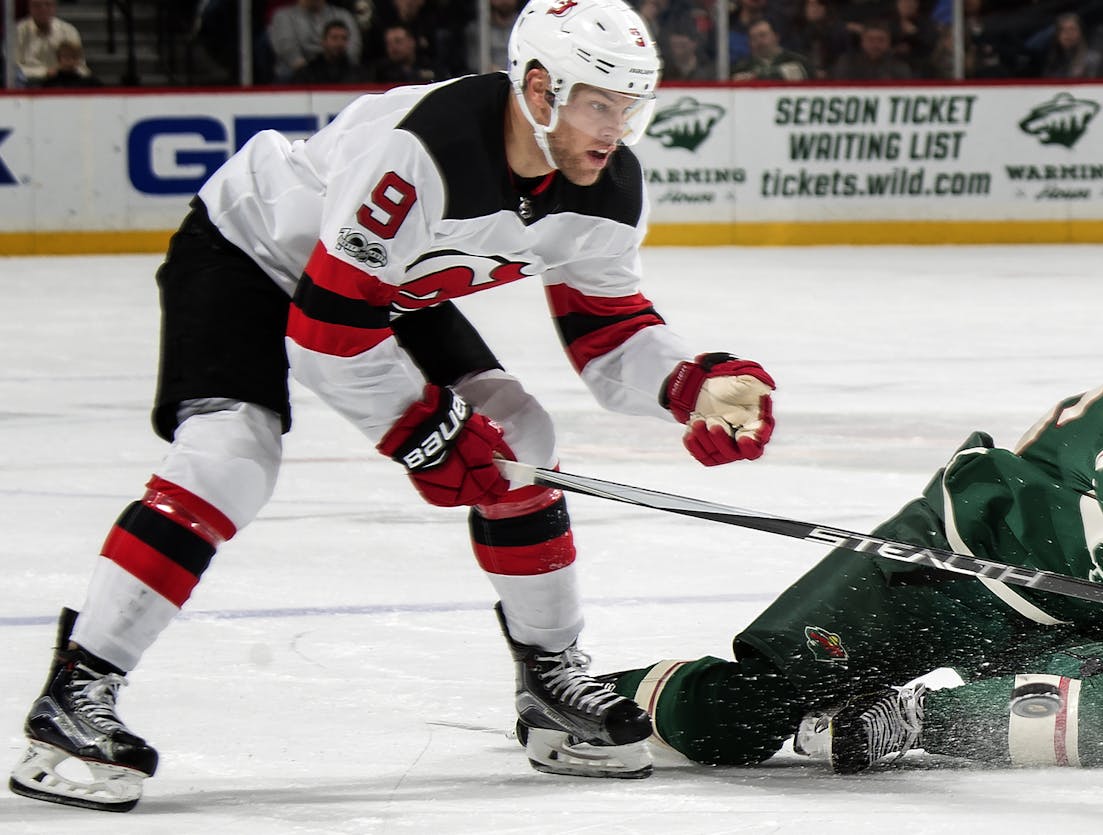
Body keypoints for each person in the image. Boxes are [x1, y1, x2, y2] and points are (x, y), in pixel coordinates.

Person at [9, 0, 777, 813]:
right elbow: (327, 330)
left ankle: (549, 677)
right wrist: (425, 435)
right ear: (542, 88)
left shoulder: (607, 185)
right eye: (599, 102)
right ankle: (77, 688)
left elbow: (607, 330)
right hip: (251, 254)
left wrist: (692, 384)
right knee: (230, 456)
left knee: (521, 435)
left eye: (631, 106)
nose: (615, 128)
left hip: (382, 284)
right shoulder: (426, 149)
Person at [610, 298, 1103, 773]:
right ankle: (591, 696)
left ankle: (913, 720)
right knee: (739, 722)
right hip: (935, 569)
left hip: (1063, 617)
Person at [267, 0, 363, 83]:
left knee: (354, 75)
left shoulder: (343, 15)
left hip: (340, 69)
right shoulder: (283, 16)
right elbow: (286, 47)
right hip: (298, 71)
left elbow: (353, 45)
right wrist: (309, 72)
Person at [15, 0, 89, 86]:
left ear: (55, 7)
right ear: (29, 8)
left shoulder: (69, 31)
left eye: (48, 4)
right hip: (28, 85)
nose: (43, 9)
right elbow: (13, 69)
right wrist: (45, 72)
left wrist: (66, 69)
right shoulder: (17, 31)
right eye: (37, 5)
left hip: (63, 83)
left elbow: (81, 67)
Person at [730, 20, 811, 82]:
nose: (759, 41)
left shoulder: (798, 61)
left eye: (763, 35)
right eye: (753, 38)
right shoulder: (741, 67)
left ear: (776, 36)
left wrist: (755, 77)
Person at [292, 19, 365, 84]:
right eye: (334, 38)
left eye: (344, 38)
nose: (339, 43)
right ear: (323, 41)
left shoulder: (356, 73)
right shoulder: (308, 72)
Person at [369, 22, 441, 83]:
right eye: (388, 43)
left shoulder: (430, 66)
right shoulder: (380, 73)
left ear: (412, 42)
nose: (393, 47)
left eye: (398, 41)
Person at [38, 41, 103, 88]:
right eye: (66, 56)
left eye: (73, 57)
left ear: (78, 60)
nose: (70, 60)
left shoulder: (90, 82)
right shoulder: (50, 83)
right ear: (59, 59)